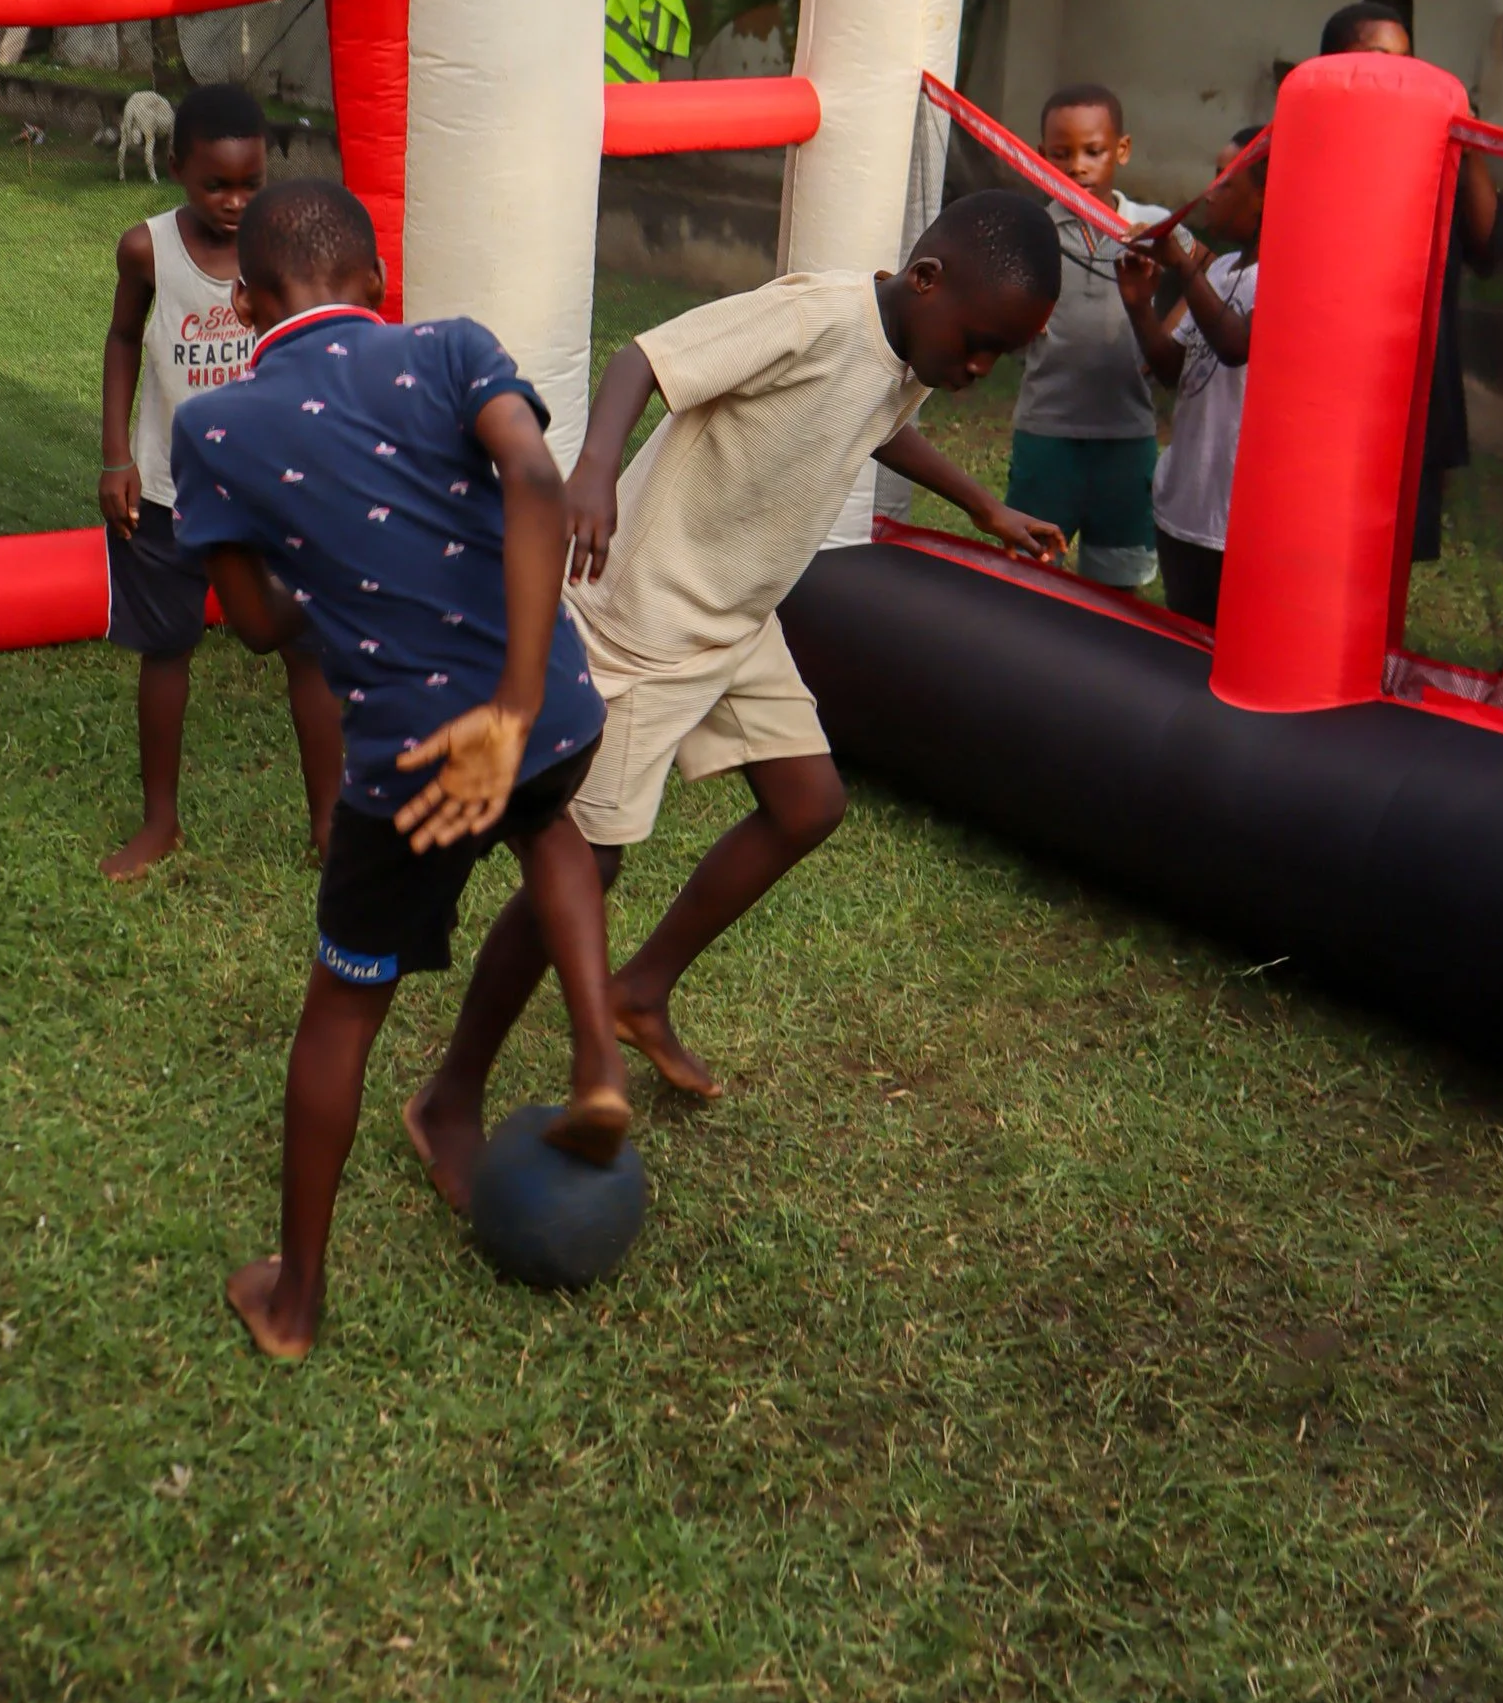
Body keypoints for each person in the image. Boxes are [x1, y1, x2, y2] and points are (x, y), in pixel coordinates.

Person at [405, 191, 1066, 1139]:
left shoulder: (912, 347)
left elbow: (877, 420)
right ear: (926, 281)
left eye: (999, 354)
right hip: (646, 621)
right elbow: (649, 358)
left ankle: (642, 991)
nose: (978, 367)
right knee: (584, 870)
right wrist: (595, 468)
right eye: (978, 344)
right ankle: (449, 1096)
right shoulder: (813, 317)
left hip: (738, 621)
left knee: (808, 805)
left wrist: (979, 505)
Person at [170, 177, 625, 1360]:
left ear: (244, 304)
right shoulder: (450, 344)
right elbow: (534, 479)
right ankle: (594, 1055)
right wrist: (517, 706)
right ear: (376, 284)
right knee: (552, 832)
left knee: (341, 1015)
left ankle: (295, 1301)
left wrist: (332, 581)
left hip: (416, 768)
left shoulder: (214, 430)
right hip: (555, 719)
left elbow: (262, 627)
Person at [98, 82, 343, 880]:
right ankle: (159, 822)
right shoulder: (148, 250)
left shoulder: (285, 253)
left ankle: (330, 824)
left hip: (276, 493)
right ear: (176, 168)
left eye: (251, 184)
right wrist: (116, 457)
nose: (236, 202)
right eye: (216, 185)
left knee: (307, 652)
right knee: (165, 650)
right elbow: (124, 340)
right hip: (170, 493)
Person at [1317, 1, 1499, 561]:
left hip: (1416, 389)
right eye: (1376, 59)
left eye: (1406, 61)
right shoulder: (1311, 145)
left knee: (1390, 558)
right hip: (1327, 393)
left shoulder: (1433, 151)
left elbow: (1489, 246)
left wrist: (1461, 132)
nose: (1397, 73)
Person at [1003, 84, 1171, 589]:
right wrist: (1018, 322)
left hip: (1127, 431)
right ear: (1040, 158)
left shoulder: (1152, 226)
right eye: (1061, 154)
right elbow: (999, 311)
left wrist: (1167, 333)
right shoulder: (1030, 230)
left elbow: (1207, 272)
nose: (1077, 166)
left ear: (1121, 150)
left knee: (1119, 583)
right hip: (1046, 429)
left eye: (1093, 152)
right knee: (1028, 576)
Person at [1115, 129, 1266, 626]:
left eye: (1225, 183)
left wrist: (1183, 265)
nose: (1209, 193)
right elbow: (1172, 369)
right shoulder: (1223, 271)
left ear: (1269, 196)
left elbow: (1235, 345)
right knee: (1183, 641)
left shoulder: (1286, 276)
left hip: (1235, 520)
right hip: (1185, 504)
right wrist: (1139, 306)